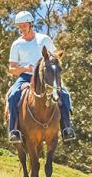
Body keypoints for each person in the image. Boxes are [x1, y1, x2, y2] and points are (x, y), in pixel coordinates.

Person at [7, 10, 75, 143]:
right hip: (26, 77)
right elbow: (11, 69)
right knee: (13, 95)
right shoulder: (17, 44)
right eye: (19, 26)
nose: (21, 28)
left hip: (46, 77)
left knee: (65, 94)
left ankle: (67, 128)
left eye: (24, 25)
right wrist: (25, 68)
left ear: (31, 24)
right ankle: (14, 131)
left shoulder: (44, 39)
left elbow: (54, 57)